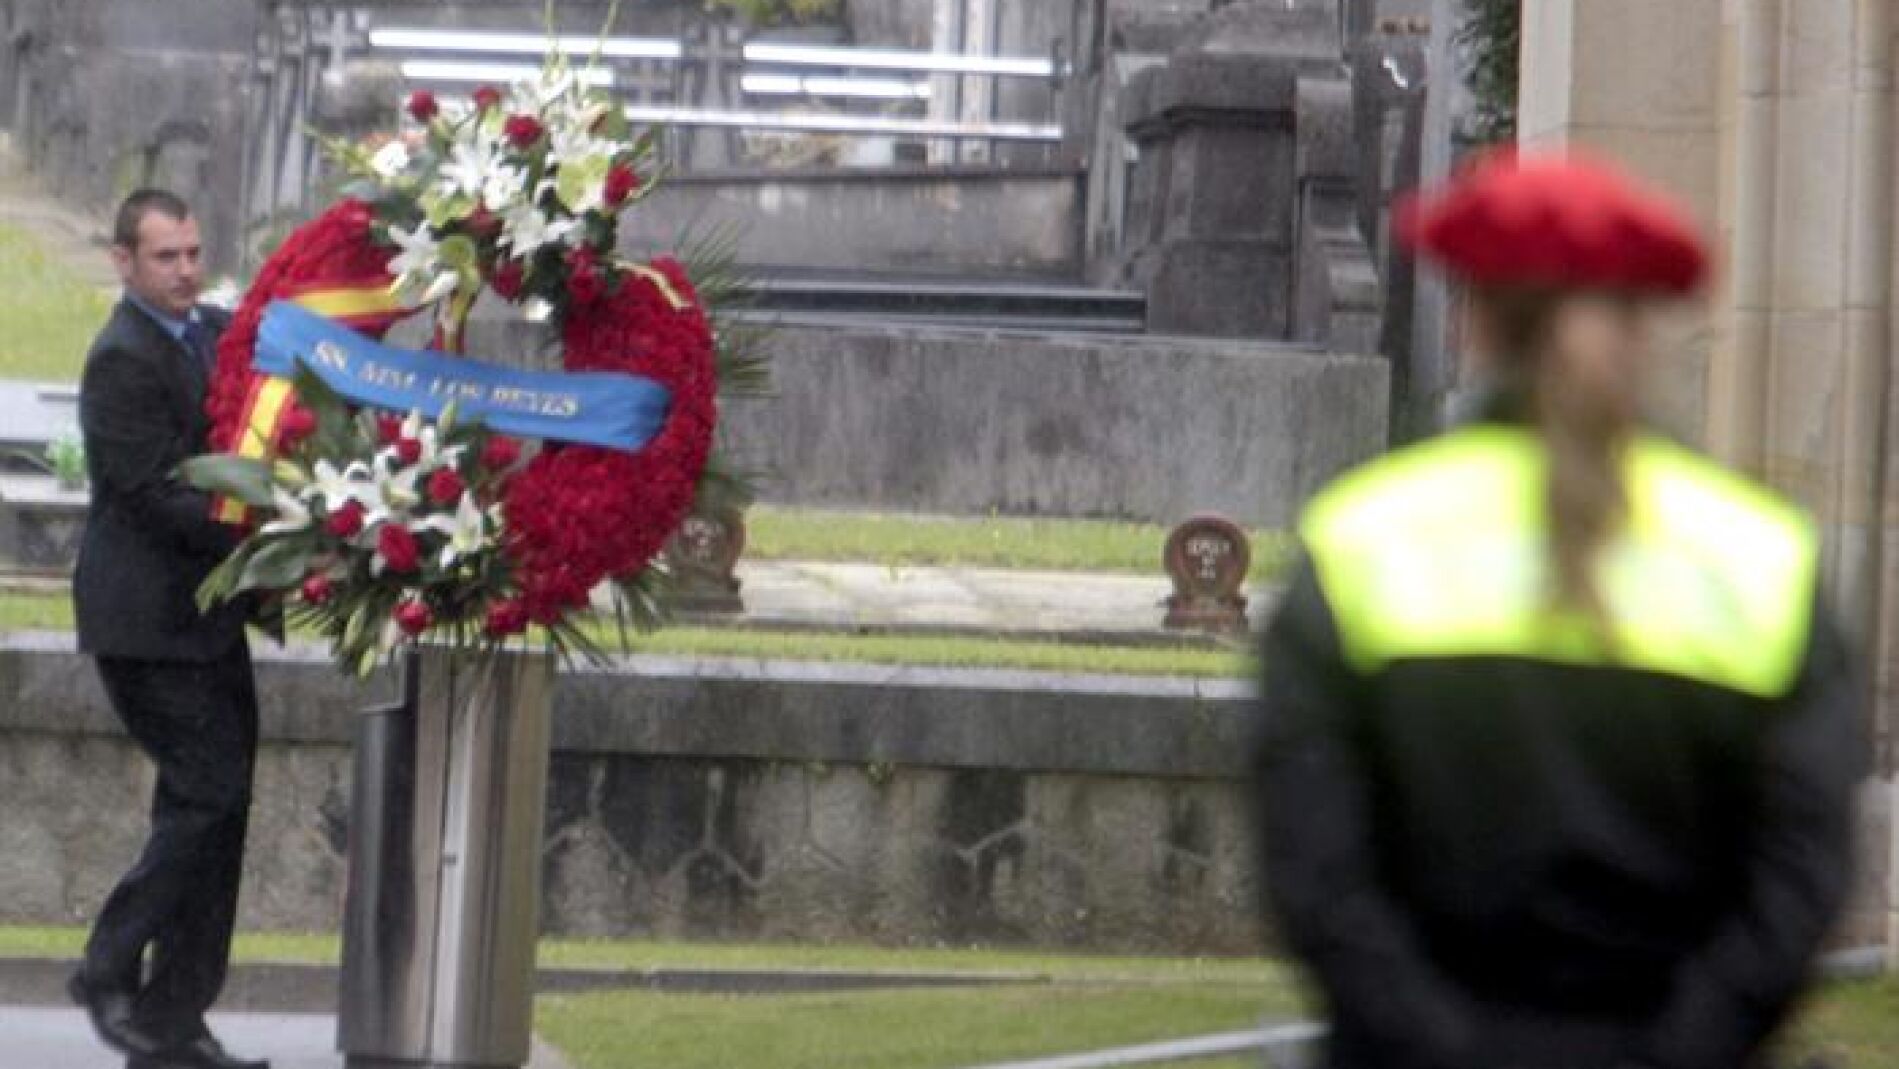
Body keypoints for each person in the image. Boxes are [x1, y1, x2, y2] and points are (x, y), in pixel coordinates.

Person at [1253, 151, 1860, 1069]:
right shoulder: (1757, 559)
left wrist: (1435, 1045)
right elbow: (1798, 872)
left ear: (1475, 321)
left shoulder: (1363, 542)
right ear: (1644, 327)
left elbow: (1316, 866)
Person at [68, 189, 269, 1069]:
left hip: (209, 618)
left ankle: (173, 1018)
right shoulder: (121, 358)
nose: (186, 270)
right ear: (124, 262)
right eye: (165, 257)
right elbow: (150, 493)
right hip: (144, 623)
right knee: (206, 794)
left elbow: (283, 357)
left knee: (222, 809)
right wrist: (271, 525)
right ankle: (108, 964)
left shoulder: (216, 332)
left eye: (192, 252)